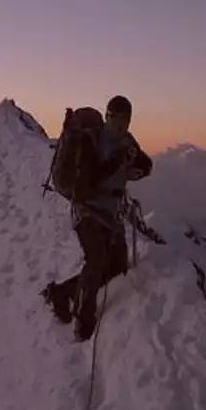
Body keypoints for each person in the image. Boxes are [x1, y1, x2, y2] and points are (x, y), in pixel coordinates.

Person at [42, 95, 152, 341]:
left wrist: (138, 167)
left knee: (116, 266)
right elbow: (87, 183)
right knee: (97, 260)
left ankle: (62, 293)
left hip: (112, 213)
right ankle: (83, 319)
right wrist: (117, 162)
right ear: (108, 117)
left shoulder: (126, 141)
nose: (122, 126)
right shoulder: (92, 141)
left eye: (126, 120)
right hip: (87, 210)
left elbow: (147, 164)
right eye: (118, 120)